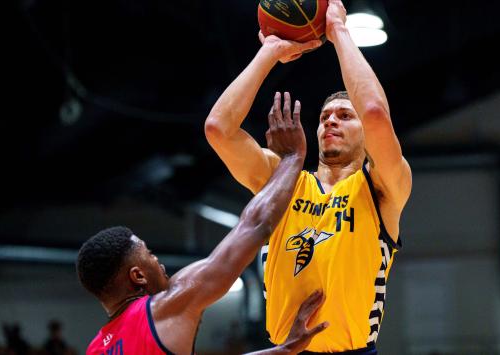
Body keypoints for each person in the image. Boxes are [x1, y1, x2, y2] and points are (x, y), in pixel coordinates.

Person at [203, 0, 412, 352]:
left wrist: (338, 31)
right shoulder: (283, 182)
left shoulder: (383, 188)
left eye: (345, 115)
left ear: (365, 135)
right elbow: (218, 129)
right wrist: (269, 52)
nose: (331, 120)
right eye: (325, 116)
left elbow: (374, 113)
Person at [77, 102, 328, 355]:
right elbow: (255, 225)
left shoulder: (95, 348)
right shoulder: (165, 307)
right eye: (150, 255)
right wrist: (293, 158)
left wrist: (282, 350)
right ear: (137, 276)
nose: (160, 264)